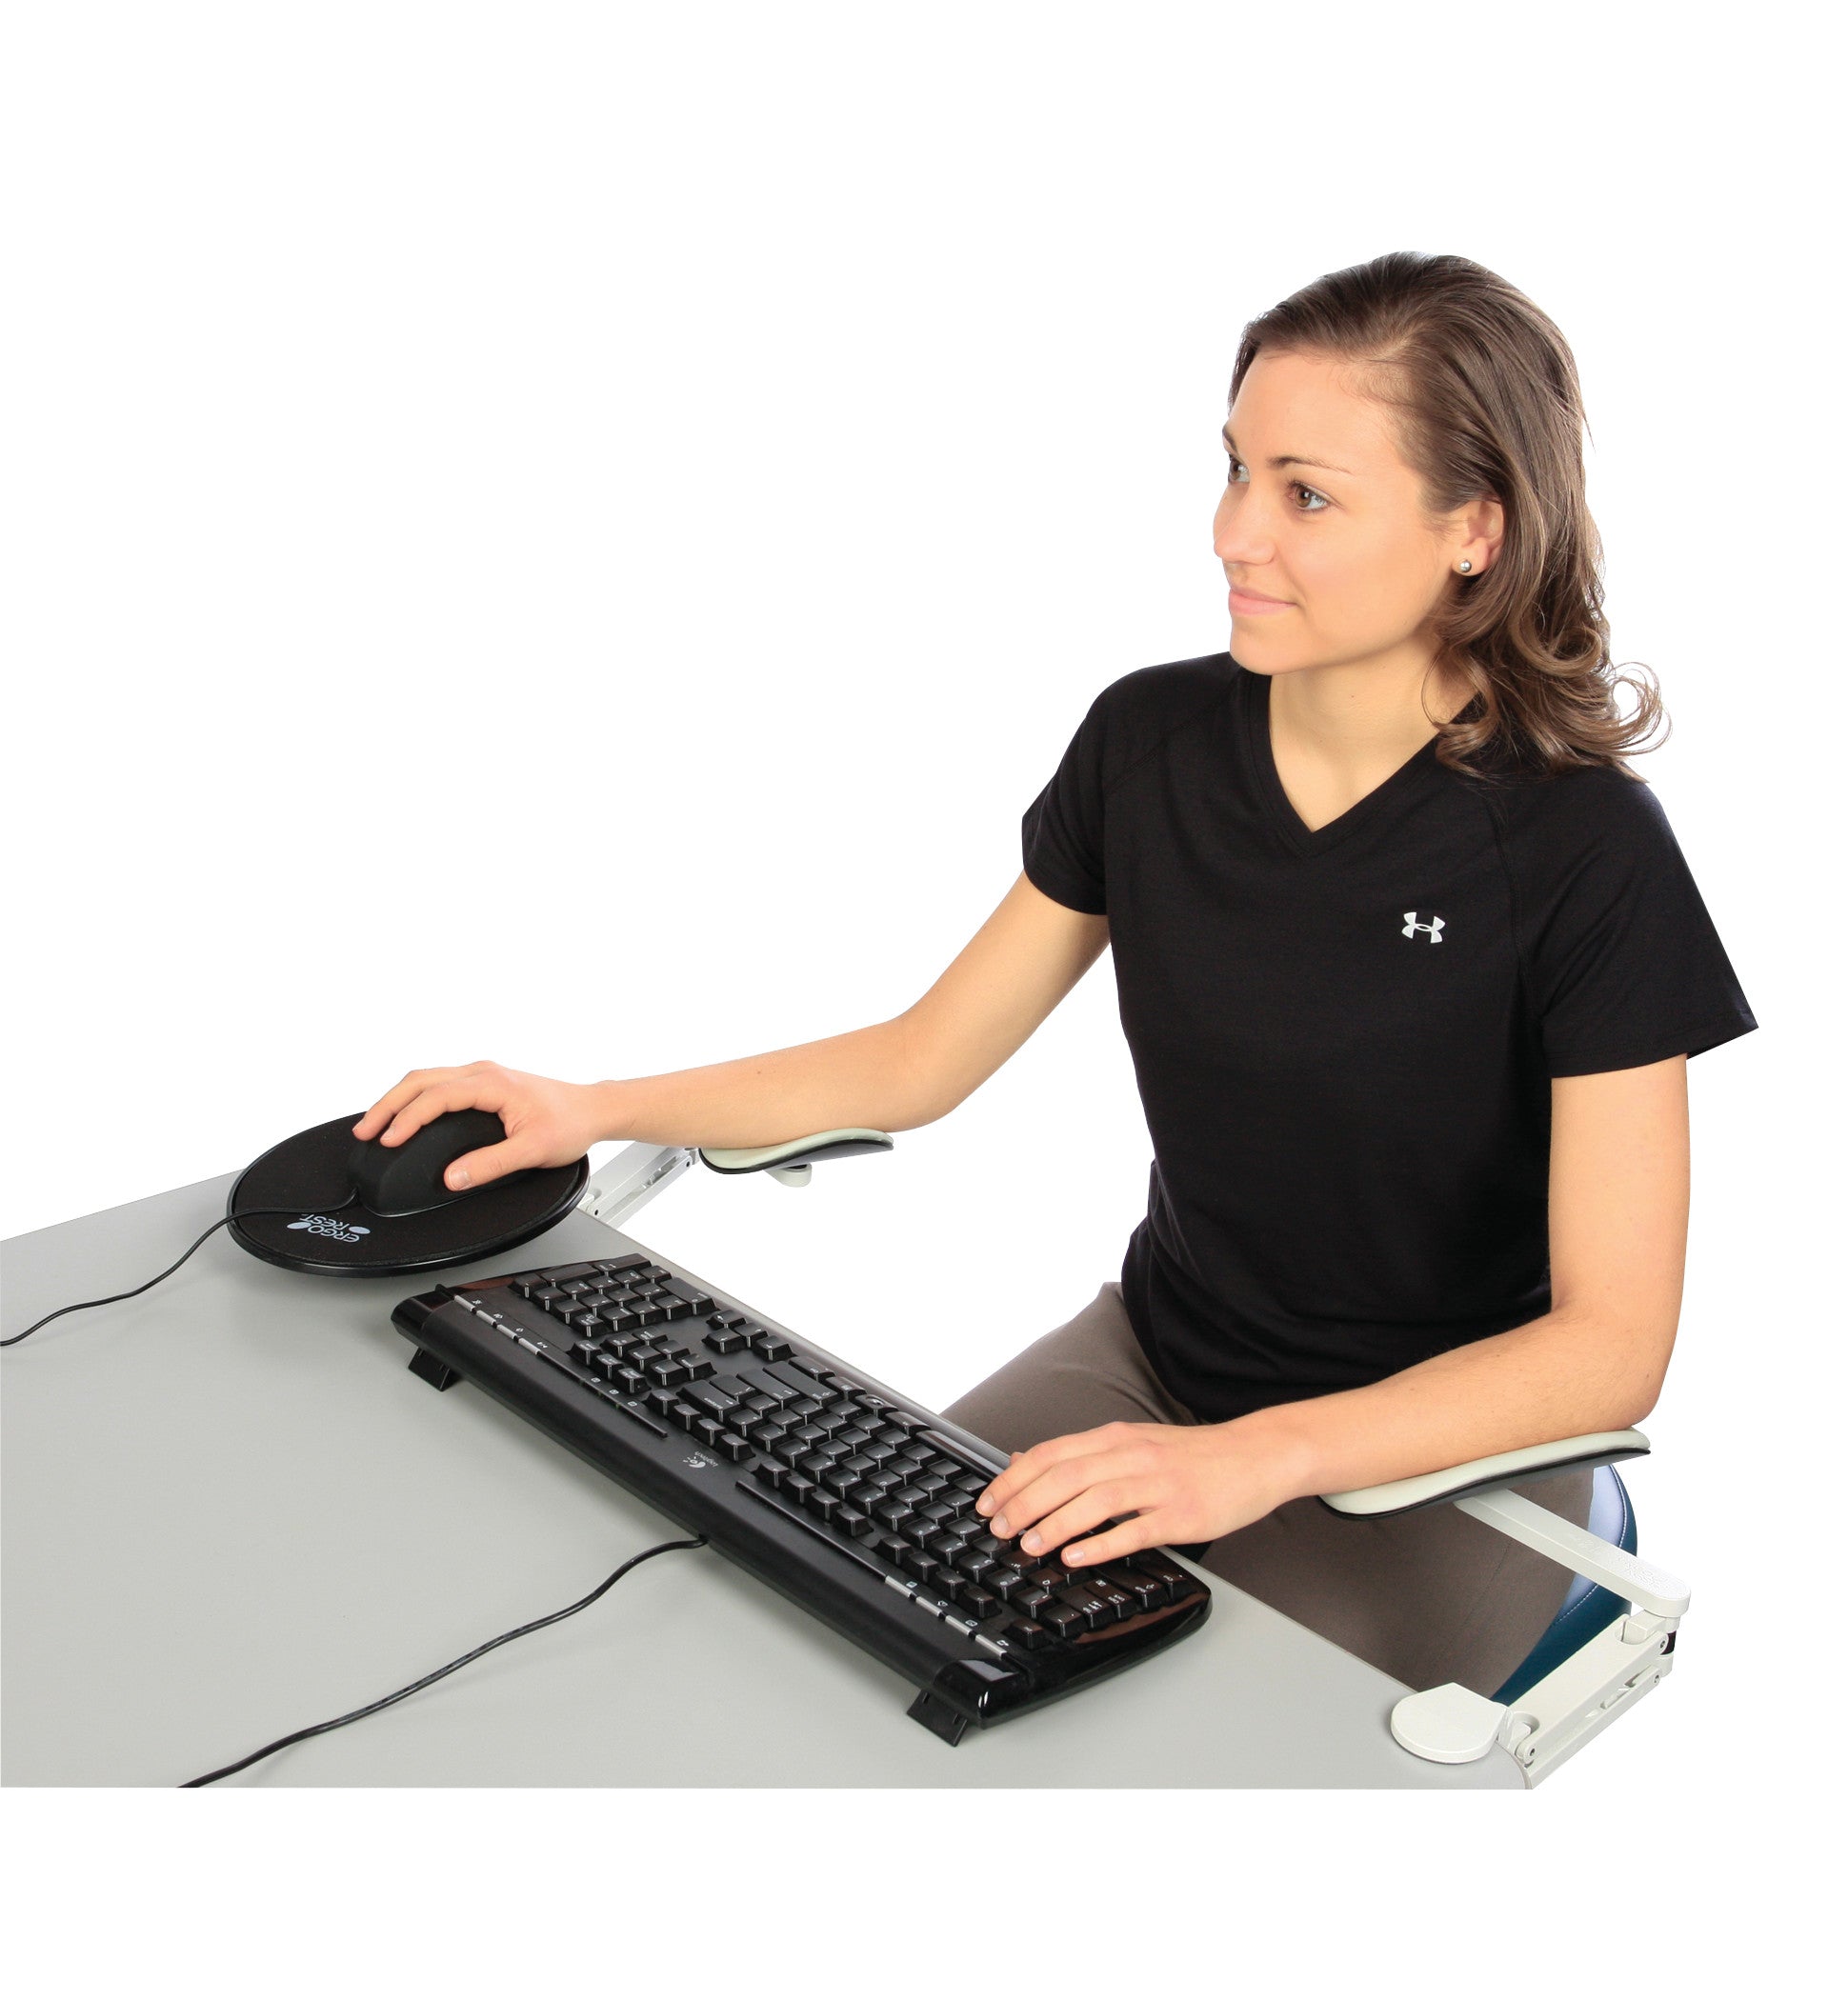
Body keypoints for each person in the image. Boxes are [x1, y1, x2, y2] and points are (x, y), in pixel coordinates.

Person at [353, 251, 1757, 1699]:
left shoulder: (1584, 848)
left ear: (1475, 529)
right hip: (1156, 1366)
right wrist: (589, 1106)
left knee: (1139, 1755)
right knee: (828, 1635)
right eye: (1236, 469)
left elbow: (1611, 1346)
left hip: (1443, 1459)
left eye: (1306, 495)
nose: (1233, 533)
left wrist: (1258, 1459)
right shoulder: (1151, 743)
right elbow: (921, 1058)